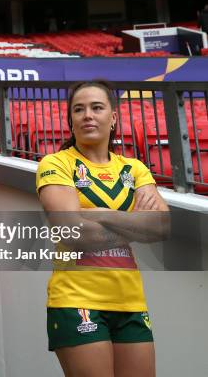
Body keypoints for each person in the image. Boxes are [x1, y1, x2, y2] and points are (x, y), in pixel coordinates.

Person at [36, 80, 169, 377]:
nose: (87, 115)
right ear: (70, 120)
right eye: (79, 109)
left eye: (97, 108)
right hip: (76, 300)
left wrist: (103, 215)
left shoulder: (134, 168)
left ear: (113, 118)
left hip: (130, 301)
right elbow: (73, 231)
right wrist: (135, 223)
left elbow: (161, 226)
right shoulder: (55, 163)